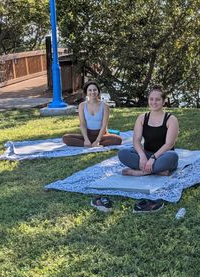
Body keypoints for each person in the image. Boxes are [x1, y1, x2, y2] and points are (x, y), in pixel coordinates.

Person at [113, 85, 179, 213]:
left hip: (163, 156)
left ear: (164, 101)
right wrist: (142, 156)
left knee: (173, 156)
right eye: (151, 99)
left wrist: (154, 158)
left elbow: (169, 144)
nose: (154, 102)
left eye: (158, 99)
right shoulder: (142, 118)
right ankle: (157, 171)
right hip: (147, 155)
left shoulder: (171, 119)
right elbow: (136, 140)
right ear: (148, 100)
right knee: (123, 153)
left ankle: (139, 172)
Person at [62, 81, 122, 147]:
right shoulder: (82, 105)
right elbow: (82, 124)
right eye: (90, 90)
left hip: (102, 135)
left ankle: (94, 144)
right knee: (65, 138)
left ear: (98, 91)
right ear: (86, 92)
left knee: (118, 140)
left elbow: (104, 125)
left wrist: (98, 140)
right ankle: (89, 143)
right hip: (88, 135)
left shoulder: (105, 106)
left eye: (95, 90)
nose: (92, 92)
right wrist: (86, 139)